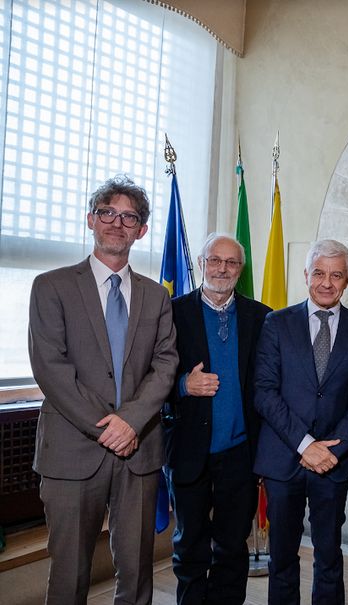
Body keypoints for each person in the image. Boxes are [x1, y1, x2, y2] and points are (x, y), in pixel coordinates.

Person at [28, 175, 179, 604]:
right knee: (69, 575)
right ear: (90, 220)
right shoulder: (52, 286)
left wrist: (130, 422)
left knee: (137, 574)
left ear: (141, 230)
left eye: (129, 217)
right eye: (107, 213)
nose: (117, 223)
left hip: (139, 450)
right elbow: (51, 368)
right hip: (72, 451)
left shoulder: (156, 296)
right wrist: (110, 427)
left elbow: (165, 364)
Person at [254, 239, 348, 605]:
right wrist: (305, 445)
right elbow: (264, 391)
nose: (326, 282)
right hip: (283, 458)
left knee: (329, 557)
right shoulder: (276, 323)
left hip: (333, 463)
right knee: (281, 557)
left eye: (336, 275)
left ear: (347, 280)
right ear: (306, 274)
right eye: (319, 273)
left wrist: (330, 451)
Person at [163, 233, 271, 605]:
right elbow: (145, 376)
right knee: (190, 546)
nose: (222, 269)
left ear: (240, 269)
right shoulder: (172, 313)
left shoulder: (262, 317)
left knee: (232, 546)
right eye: (214, 260)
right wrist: (183, 385)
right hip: (188, 449)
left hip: (240, 452)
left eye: (231, 262)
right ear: (201, 263)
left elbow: (270, 383)